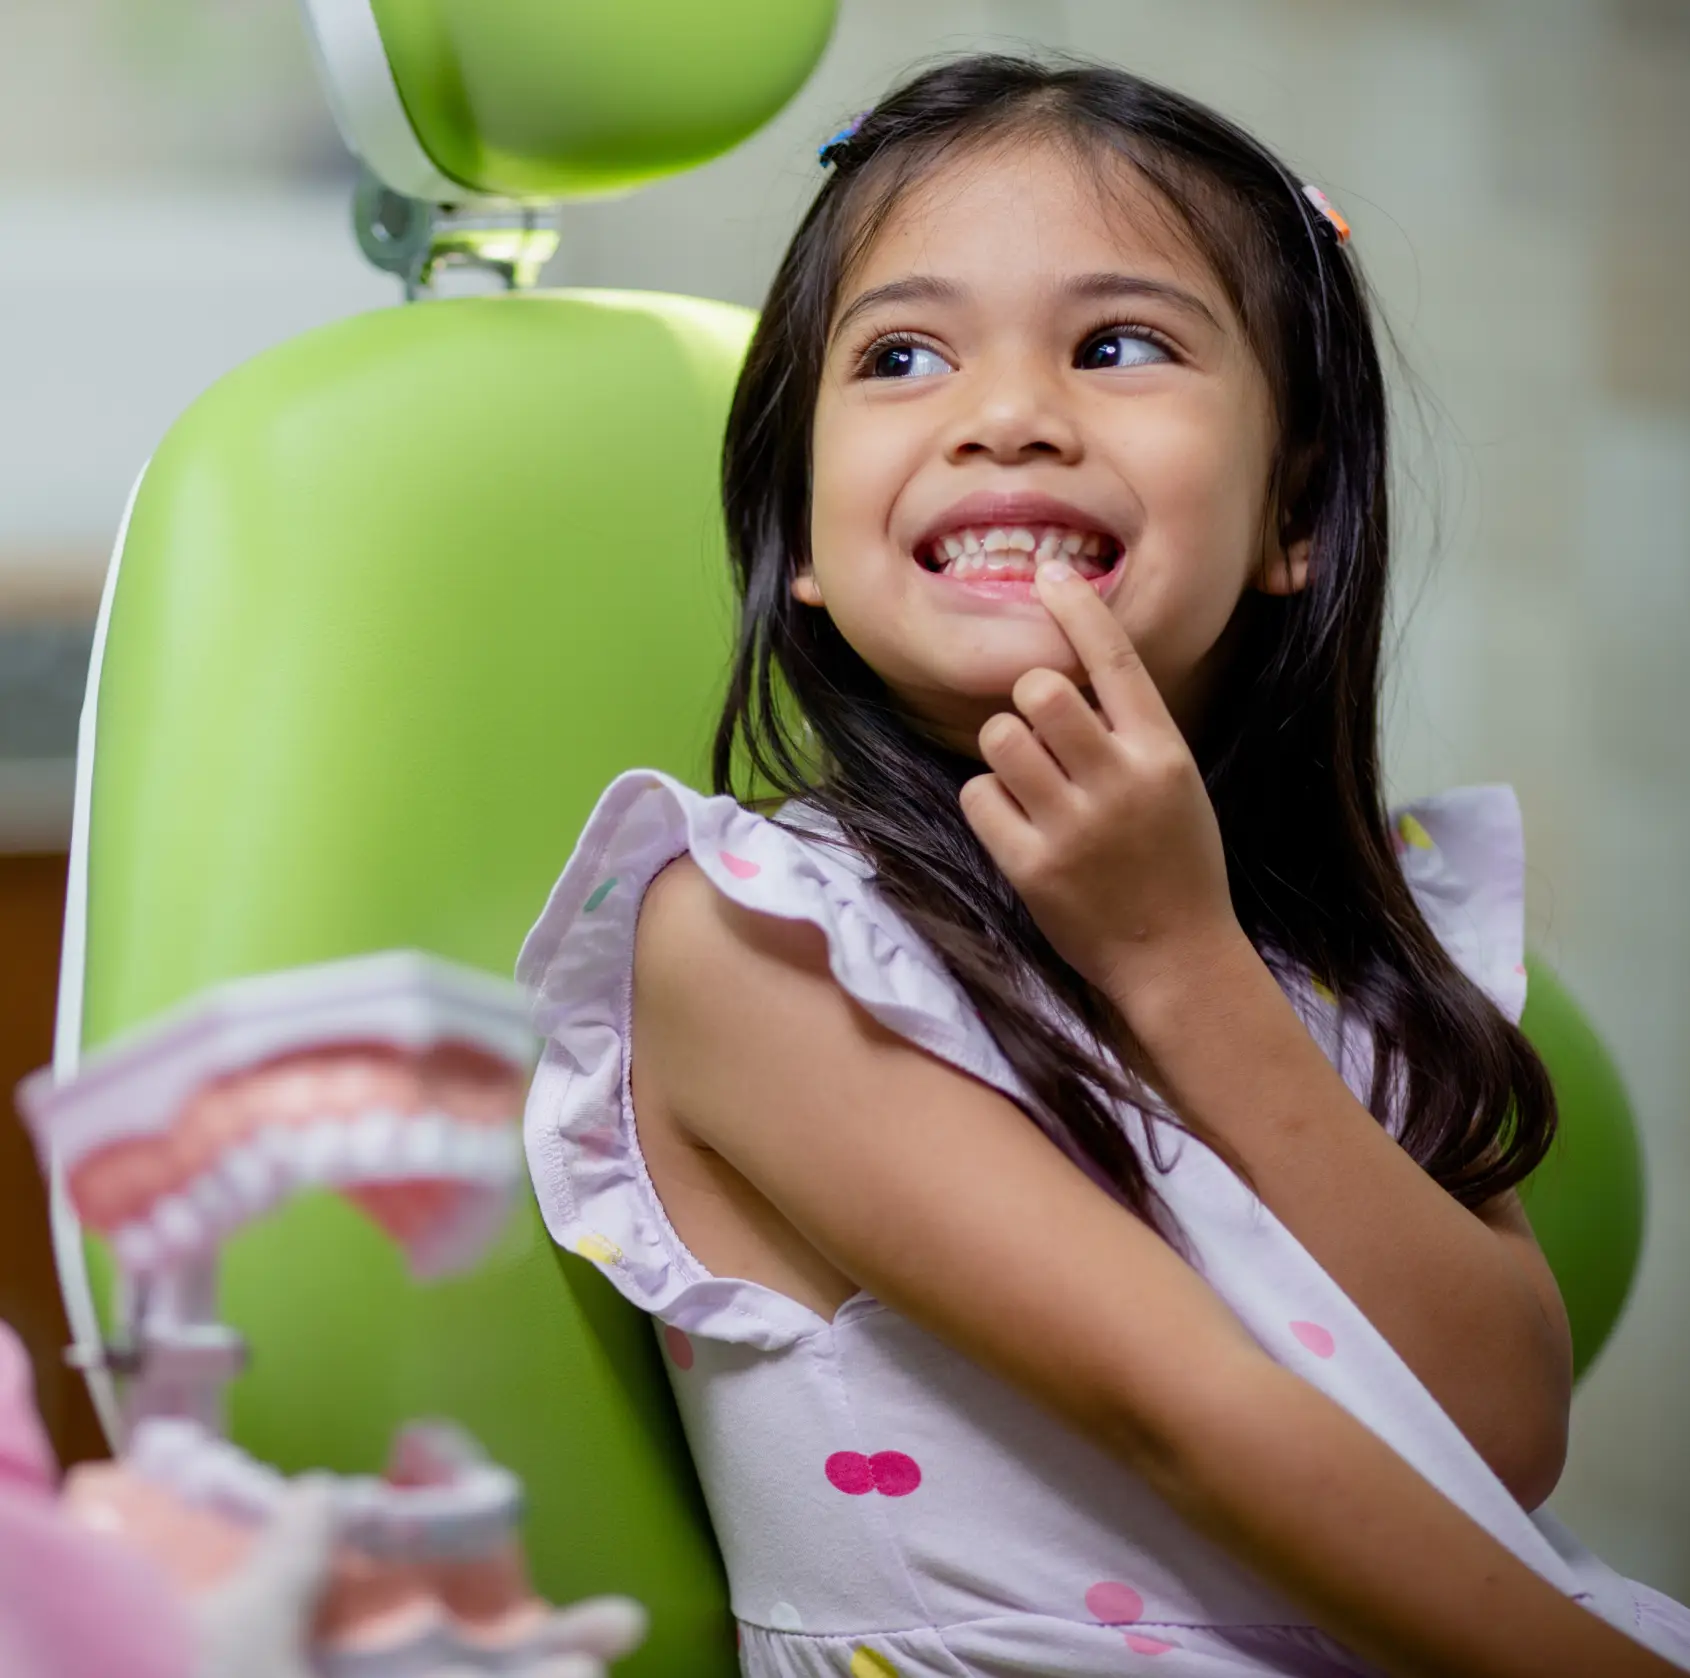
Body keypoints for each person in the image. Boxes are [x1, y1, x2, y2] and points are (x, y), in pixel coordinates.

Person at [516, 53, 1690, 1678]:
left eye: (1119, 344)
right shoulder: (746, 941)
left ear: (1296, 511)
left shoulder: (1337, 938)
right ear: (794, 533)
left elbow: (1493, 1433)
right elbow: (1183, 1418)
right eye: (903, 354)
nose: (1002, 414)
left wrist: (1184, 962)